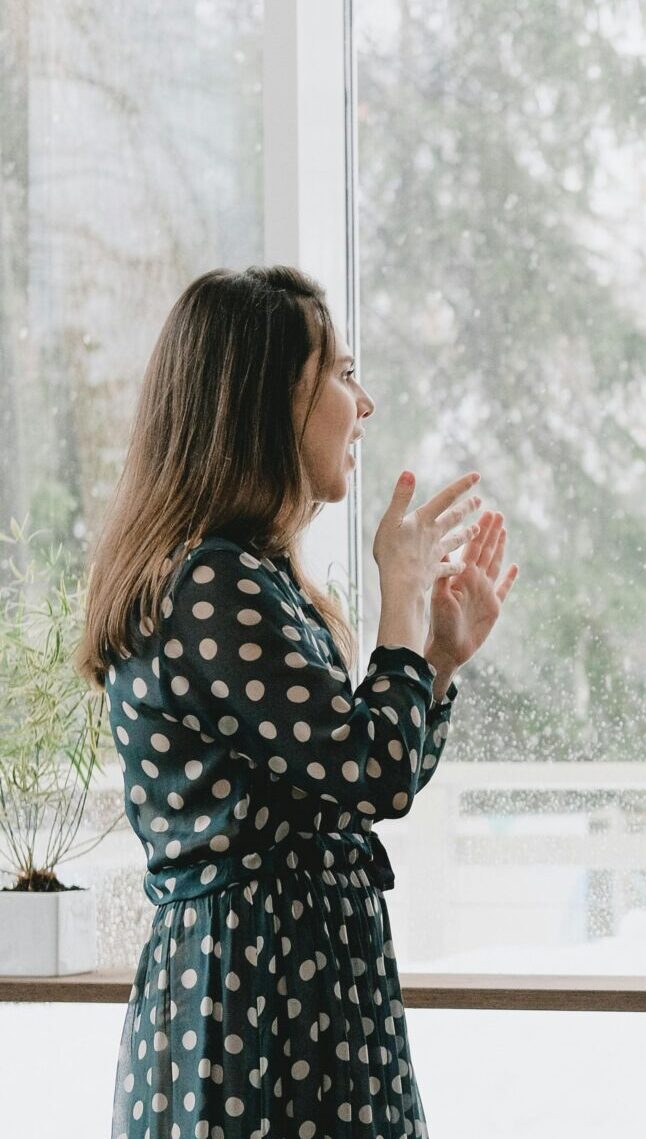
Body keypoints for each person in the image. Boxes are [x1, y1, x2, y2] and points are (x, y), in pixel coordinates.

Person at [77, 266, 518, 1138]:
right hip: (255, 1001)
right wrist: (401, 603)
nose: (366, 401)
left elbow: (356, 783)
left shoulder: (251, 579)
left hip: (295, 989)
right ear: (271, 398)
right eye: (344, 374)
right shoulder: (209, 582)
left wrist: (435, 658)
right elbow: (371, 776)